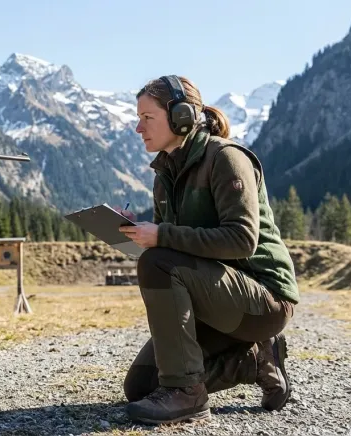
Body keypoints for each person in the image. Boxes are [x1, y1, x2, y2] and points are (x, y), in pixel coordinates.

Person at [115, 75, 298, 424]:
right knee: (141, 387)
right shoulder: (164, 175)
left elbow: (242, 239)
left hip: (264, 300)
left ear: (181, 116)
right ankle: (253, 362)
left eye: (147, 117)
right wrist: (133, 231)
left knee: (158, 261)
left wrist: (161, 237)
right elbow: (170, 249)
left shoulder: (226, 158)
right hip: (215, 300)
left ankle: (187, 395)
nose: (138, 128)